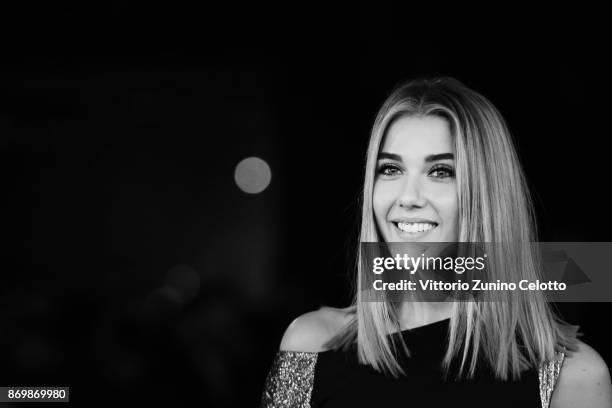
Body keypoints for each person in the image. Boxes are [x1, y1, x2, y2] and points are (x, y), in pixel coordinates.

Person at [260, 77, 612, 407]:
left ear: (487, 195)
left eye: (440, 172)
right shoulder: (311, 345)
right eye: (391, 169)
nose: (408, 197)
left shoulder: (573, 376)